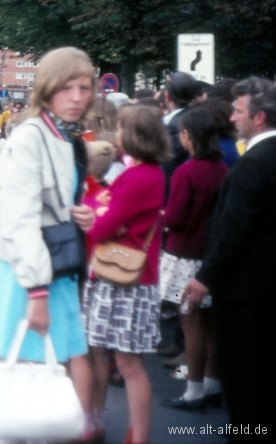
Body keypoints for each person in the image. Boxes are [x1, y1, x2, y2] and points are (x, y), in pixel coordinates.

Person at [0, 47, 97, 440]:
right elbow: (17, 220)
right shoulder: (31, 137)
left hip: (52, 273)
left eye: (85, 87)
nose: (78, 97)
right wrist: (36, 292)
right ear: (47, 89)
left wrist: (74, 212)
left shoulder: (59, 134)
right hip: (33, 277)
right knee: (25, 394)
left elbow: (46, 204)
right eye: (68, 87)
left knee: (45, 383)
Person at [184, 82, 276, 439]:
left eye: (239, 111)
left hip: (246, 287)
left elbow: (234, 225)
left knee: (244, 372)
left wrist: (207, 275)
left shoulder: (255, 161)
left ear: (259, 117)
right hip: (261, 283)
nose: (232, 117)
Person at [79, 104, 168, 444]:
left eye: (120, 130)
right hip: (133, 278)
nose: (116, 136)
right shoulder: (150, 173)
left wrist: (94, 213)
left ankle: (137, 436)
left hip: (121, 280)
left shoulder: (136, 176)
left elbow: (102, 226)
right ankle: (132, 433)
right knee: (122, 359)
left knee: (127, 363)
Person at [159, 108, 227, 411]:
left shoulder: (187, 171)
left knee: (190, 324)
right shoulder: (223, 169)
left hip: (182, 260)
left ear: (188, 136)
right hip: (209, 259)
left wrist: (160, 215)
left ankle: (193, 391)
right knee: (211, 327)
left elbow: (175, 218)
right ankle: (212, 384)